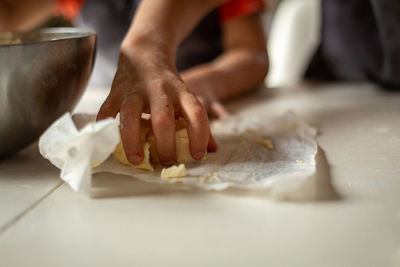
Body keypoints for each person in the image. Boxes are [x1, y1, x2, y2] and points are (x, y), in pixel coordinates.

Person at [0, 0, 269, 166]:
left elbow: (252, 54)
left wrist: (208, 82)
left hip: (215, 111)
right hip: (102, 106)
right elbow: (9, 13)